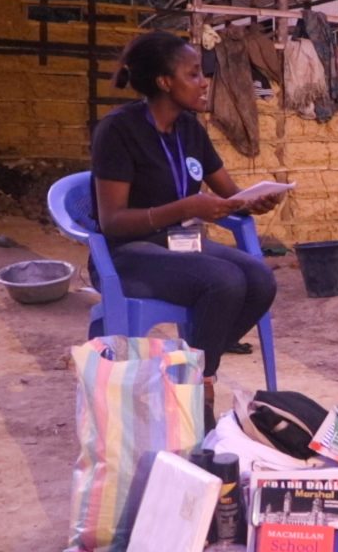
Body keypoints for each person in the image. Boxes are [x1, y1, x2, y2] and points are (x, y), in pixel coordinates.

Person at [91, 31, 283, 431]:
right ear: (165, 82)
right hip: (127, 253)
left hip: (180, 245)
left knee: (260, 279)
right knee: (224, 280)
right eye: (194, 74)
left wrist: (255, 200)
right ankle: (198, 387)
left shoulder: (190, 129)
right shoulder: (118, 130)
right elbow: (112, 222)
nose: (204, 82)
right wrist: (186, 207)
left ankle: (191, 371)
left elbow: (230, 194)